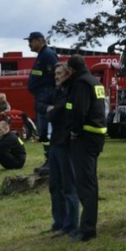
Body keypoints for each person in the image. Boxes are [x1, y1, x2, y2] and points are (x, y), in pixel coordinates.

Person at [66, 55, 107, 242]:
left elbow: (78, 111)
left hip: (84, 137)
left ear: (72, 70)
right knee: (90, 181)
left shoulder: (81, 83)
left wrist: (74, 131)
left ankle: (88, 229)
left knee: (85, 184)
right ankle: (88, 224)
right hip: (96, 135)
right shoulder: (94, 81)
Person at [46, 63, 79, 237]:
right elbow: (46, 107)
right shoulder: (57, 92)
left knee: (68, 186)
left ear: (67, 74)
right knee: (54, 185)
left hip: (65, 144)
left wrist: (52, 110)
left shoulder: (69, 93)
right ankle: (59, 221)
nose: (56, 76)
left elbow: (55, 113)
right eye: (55, 73)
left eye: (59, 73)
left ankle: (72, 224)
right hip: (54, 143)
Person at [26, 31, 58, 175]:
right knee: (42, 130)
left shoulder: (48, 55)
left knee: (46, 129)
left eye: (31, 41)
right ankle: (48, 160)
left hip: (47, 97)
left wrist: (51, 95)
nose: (29, 44)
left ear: (40, 40)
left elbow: (55, 75)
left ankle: (51, 162)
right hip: (41, 96)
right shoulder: (42, 55)